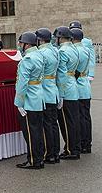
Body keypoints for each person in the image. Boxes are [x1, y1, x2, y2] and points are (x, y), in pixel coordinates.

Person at [14, 31, 45, 169]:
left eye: (21, 43)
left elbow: (22, 83)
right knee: (38, 130)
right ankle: (39, 157)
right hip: (38, 96)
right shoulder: (39, 55)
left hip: (29, 100)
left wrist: (19, 102)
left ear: (26, 44)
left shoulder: (27, 59)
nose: (20, 45)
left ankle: (34, 160)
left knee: (30, 132)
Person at [54, 26, 81, 160]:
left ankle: (71, 149)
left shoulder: (62, 51)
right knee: (74, 121)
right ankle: (75, 147)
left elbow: (62, 74)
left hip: (66, 89)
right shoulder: (74, 49)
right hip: (74, 87)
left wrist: (61, 94)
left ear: (60, 38)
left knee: (66, 122)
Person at [35, 28, 61, 164]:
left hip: (44, 90)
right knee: (53, 124)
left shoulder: (41, 53)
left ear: (40, 40)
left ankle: (48, 153)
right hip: (53, 90)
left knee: (46, 125)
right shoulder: (55, 51)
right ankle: (55, 152)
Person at [70, 24, 93, 154]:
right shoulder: (85, 49)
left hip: (78, 85)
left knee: (79, 117)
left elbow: (75, 71)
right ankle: (87, 143)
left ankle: (82, 143)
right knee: (86, 116)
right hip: (85, 85)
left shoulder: (76, 51)